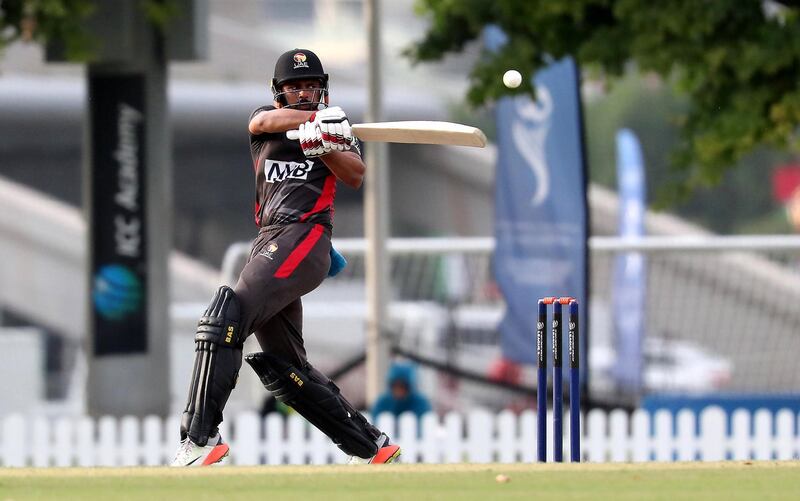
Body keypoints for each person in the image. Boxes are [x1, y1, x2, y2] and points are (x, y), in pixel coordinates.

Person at [171, 48, 401, 466]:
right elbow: (260, 122)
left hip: (305, 237)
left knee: (226, 317)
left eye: (311, 85)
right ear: (280, 93)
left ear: (322, 89)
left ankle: (200, 437)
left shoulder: (335, 131)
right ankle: (371, 447)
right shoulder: (268, 122)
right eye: (295, 87)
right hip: (269, 240)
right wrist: (311, 122)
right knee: (286, 366)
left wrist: (324, 144)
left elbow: (355, 174)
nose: (304, 92)